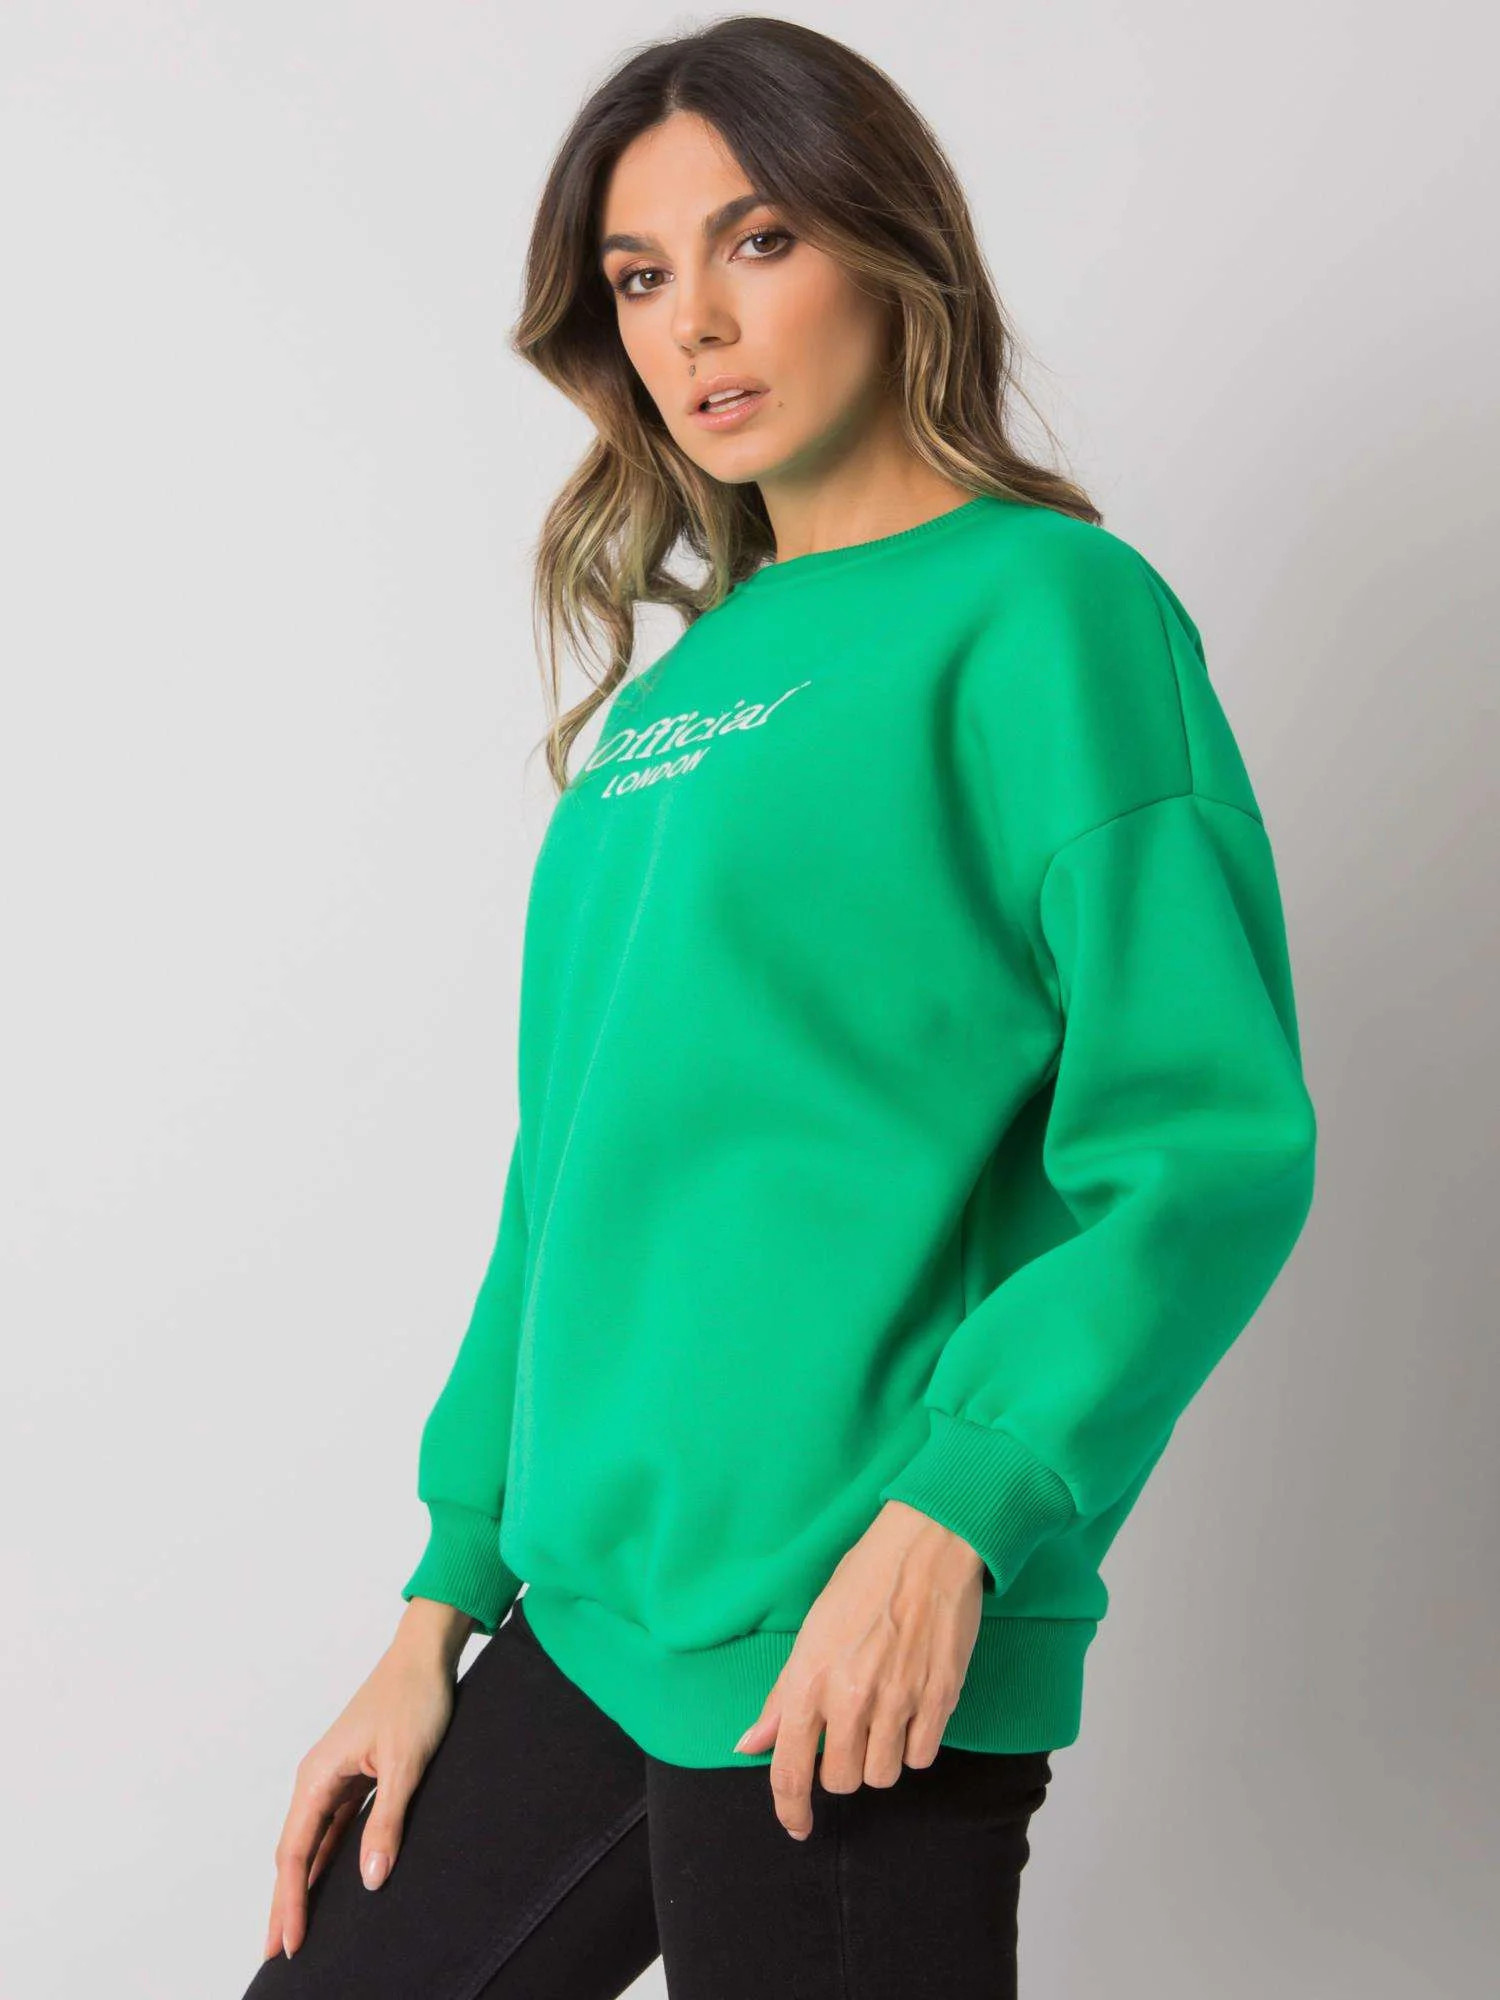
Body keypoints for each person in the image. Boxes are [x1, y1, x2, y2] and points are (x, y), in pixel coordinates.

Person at [241, 17, 1318, 1999]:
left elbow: (1202, 1147)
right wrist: (436, 1603)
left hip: (857, 1620)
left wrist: (956, 1514)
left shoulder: (1049, 614)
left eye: (756, 242)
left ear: (888, 247)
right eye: (640, 277)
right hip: (596, 1608)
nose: (696, 326)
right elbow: (568, 1181)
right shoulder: (665, 708)